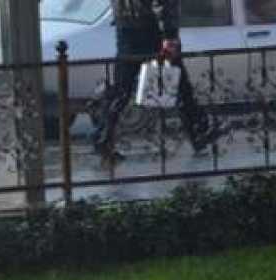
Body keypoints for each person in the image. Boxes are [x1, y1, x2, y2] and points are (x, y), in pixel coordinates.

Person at [92, 0, 218, 162]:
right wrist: (169, 34)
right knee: (179, 84)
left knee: (122, 88)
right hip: (152, 29)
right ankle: (199, 132)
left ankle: (102, 137)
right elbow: (162, 4)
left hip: (126, 28)